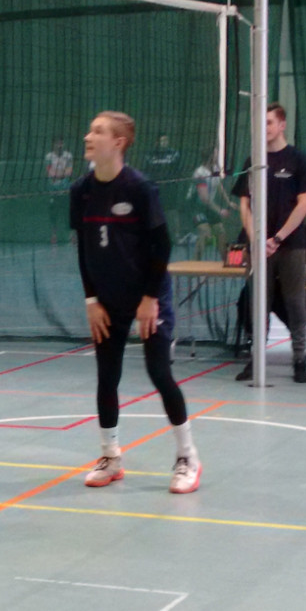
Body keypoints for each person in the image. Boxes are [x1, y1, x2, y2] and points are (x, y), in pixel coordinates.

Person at [71, 112, 201, 493]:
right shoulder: (81, 191)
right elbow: (83, 251)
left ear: (119, 142)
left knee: (159, 371)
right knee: (107, 376)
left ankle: (188, 457)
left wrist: (149, 298)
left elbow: (163, 246)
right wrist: (91, 299)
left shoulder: (141, 188)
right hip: (106, 299)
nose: (88, 136)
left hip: (148, 294)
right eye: (90, 130)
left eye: (98, 131)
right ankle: (110, 456)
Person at [233, 104, 306, 383]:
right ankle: (256, 358)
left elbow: (305, 203)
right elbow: (244, 204)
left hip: (291, 245)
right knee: (257, 302)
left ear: (282, 125)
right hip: (259, 247)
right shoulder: (253, 161)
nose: (264, 127)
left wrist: (278, 237)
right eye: (261, 122)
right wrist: (256, 240)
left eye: (269, 122)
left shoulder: (299, 159)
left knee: (295, 302)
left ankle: (300, 359)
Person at [45, 138, 74, 246]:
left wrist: (59, 174)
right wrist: (62, 173)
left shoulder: (68, 156)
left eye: (61, 143)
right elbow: (50, 173)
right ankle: (54, 235)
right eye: (57, 143)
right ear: (54, 144)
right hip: (53, 190)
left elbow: (69, 172)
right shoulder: (49, 157)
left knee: (68, 212)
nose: (59, 145)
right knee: (53, 213)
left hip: (65, 190)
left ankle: (71, 235)